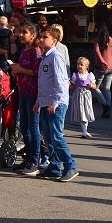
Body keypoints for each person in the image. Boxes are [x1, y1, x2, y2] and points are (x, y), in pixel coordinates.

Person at [35, 24, 77, 182]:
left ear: (54, 40)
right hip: (46, 102)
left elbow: (60, 81)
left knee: (56, 136)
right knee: (48, 137)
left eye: (45, 37)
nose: (41, 39)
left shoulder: (56, 57)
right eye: (41, 37)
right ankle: (54, 166)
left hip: (56, 103)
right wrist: (39, 101)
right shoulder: (45, 57)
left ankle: (70, 166)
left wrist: (55, 102)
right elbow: (45, 82)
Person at [10, 23, 43, 174]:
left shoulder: (36, 51)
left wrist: (20, 70)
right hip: (23, 91)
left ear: (33, 35)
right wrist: (16, 72)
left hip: (33, 93)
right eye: (20, 32)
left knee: (33, 127)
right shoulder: (25, 49)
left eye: (25, 32)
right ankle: (28, 158)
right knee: (23, 126)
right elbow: (25, 70)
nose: (21, 35)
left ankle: (35, 161)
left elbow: (37, 72)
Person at [67, 57, 99, 138]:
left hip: (87, 95)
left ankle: (85, 130)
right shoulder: (75, 75)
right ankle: (84, 132)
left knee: (86, 112)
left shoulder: (90, 75)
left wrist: (91, 85)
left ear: (86, 67)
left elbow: (95, 86)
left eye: (81, 64)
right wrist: (68, 84)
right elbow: (73, 86)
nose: (79, 66)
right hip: (78, 95)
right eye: (78, 64)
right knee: (82, 113)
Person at [92, 24, 112, 119]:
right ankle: (108, 108)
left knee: (95, 87)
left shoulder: (97, 40)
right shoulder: (111, 40)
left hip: (101, 67)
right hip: (111, 67)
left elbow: (97, 52)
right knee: (107, 89)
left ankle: (105, 106)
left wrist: (102, 61)